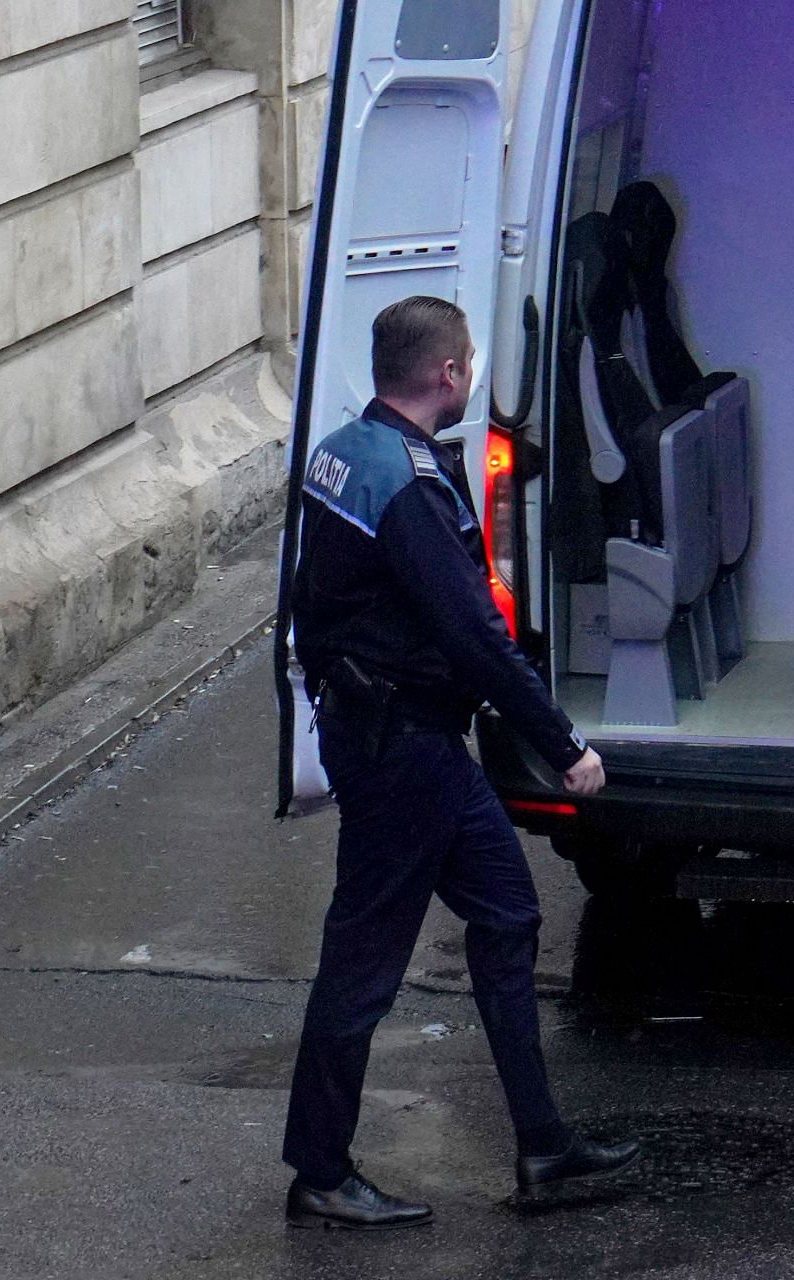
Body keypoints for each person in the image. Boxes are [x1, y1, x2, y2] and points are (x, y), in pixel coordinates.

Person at [281, 296, 639, 1229]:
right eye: (470, 361)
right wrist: (564, 744)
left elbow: (306, 596)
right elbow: (476, 636)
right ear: (449, 374)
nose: (472, 372)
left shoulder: (343, 452)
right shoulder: (404, 483)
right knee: (362, 962)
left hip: (400, 739)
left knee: (510, 914)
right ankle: (320, 1171)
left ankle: (545, 1147)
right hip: (404, 752)